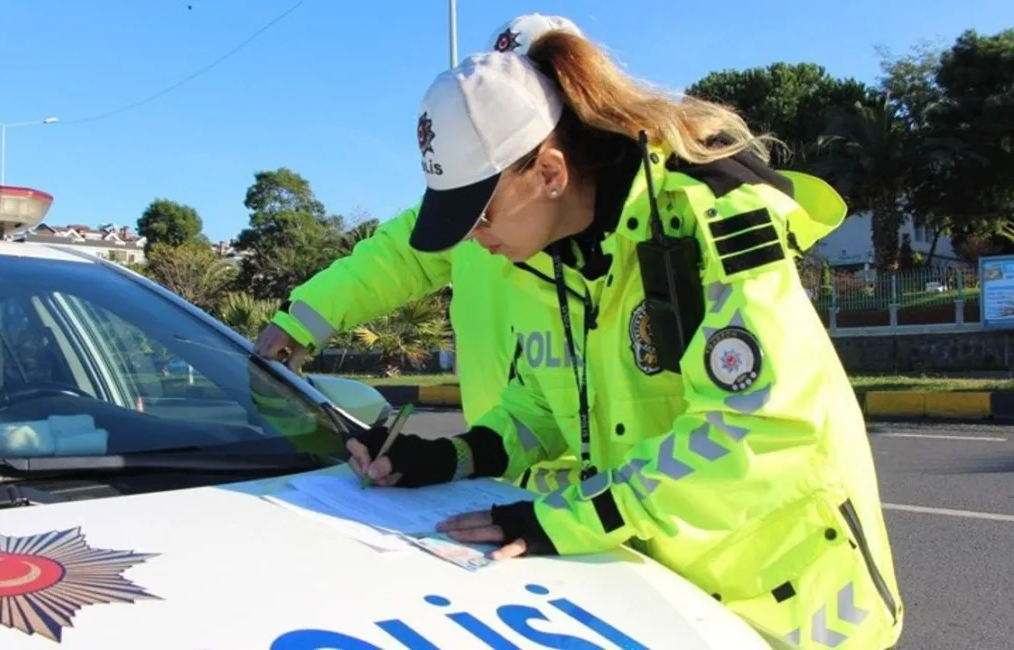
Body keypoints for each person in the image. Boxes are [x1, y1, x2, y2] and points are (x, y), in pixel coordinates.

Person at [345, 34, 903, 649]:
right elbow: (539, 409)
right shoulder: (546, 259)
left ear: (550, 173)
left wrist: (571, 519)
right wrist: (445, 458)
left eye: (478, 216)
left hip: (792, 606)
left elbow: (759, 424)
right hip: (661, 598)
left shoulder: (710, 212)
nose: (472, 239)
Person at [251, 13, 673, 494]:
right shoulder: (472, 214)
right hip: (500, 465)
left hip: (622, 494)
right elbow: (397, 257)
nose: (478, 236)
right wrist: (304, 319)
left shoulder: (664, 219)